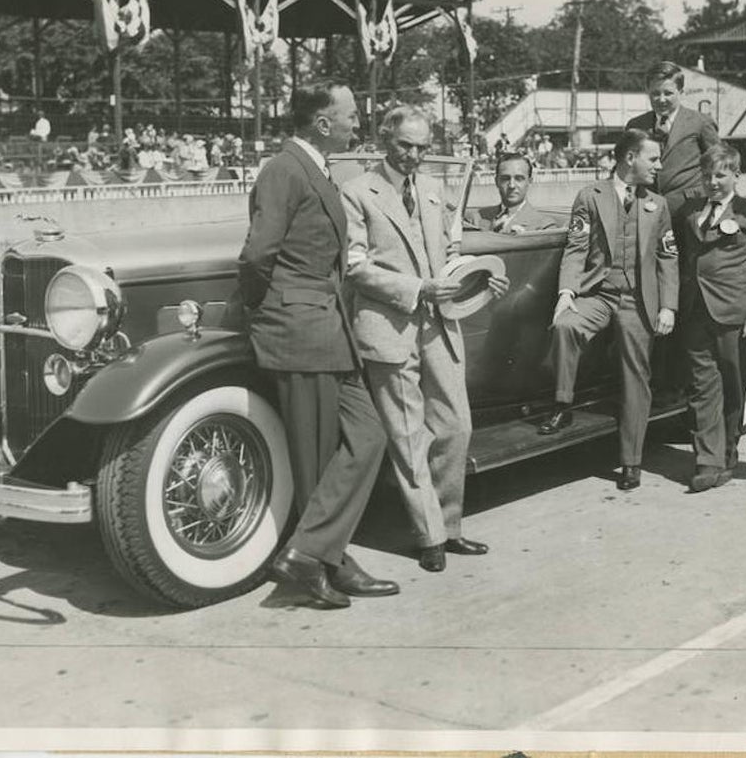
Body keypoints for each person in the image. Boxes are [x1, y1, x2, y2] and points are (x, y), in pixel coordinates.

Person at [237, 81, 396, 609]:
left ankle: (312, 552)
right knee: (314, 457)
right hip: (301, 327)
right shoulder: (284, 169)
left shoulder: (316, 168)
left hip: (326, 329)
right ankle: (326, 564)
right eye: (351, 114)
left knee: (368, 437)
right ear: (323, 123)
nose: (359, 121)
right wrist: (274, 309)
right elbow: (258, 254)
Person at [340, 106, 508, 572]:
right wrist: (417, 290)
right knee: (409, 436)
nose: (414, 155)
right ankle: (430, 536)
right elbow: (354, 267)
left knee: (457, 426)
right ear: (384, 140)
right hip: (388, 330)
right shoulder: (356, 193)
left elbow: (450, 253)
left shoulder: (435, 191)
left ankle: (451, 525)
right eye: (404, 146)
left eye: (422, 147)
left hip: (439, 326)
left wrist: (478, 281)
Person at [537, 128, 679, 492]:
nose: (658, 165)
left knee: (636, 376)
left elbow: (667, 257)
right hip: (599, 294)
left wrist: (668, 306)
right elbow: (576, 247)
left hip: (638, 301)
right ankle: (562, 404)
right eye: (653, 158)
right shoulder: (590, 195)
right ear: (630, 157)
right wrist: (566, 292)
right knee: (566, 326)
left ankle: (631, 461)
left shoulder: (657, 204)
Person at [676, 143, 746, 492]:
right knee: (702, 387)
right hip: (695, 311)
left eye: (720, 175)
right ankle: (706, 460)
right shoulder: (689, 213)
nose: (713, 182)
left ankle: (728, 451)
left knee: (733, 385)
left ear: (736, 175)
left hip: (734, 313)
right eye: (707, 175)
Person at [626, 61, 720, 217]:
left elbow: (720, 165)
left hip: (691, 211)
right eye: (655, 93)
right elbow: (625, 168)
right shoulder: (635, 125)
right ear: (647, 91)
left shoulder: (700, 123)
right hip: (647, 211)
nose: (661, 99)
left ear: (681, 91)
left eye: (668, 93)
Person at [465, 153, 560, 233]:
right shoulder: (476, 218)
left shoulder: (544, 225)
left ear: (529, 182)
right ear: (497, 182)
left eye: (519, 179)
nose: (511, 185)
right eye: (505, 179)